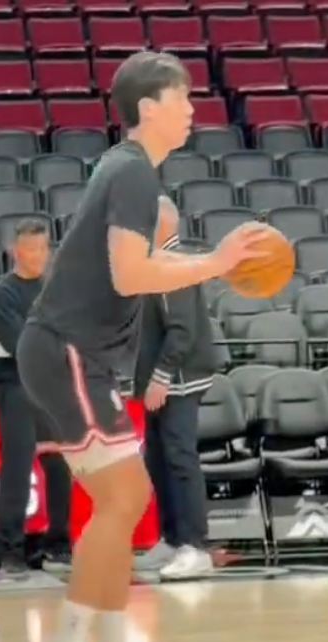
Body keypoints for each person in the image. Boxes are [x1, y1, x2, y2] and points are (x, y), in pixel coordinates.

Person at [17, 51, 268, 642]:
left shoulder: (127, 169)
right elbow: (130, 275)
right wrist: (215, 263)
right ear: (149, 106)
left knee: (123, 502)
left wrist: (206, 261)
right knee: (125, 498)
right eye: (183, 98)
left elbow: (139, 267)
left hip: (74, 353)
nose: (193, 109)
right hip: (69, 349)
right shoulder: (130, 169)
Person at [134, 196, 216, 579]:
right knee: (158, 459)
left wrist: (162, 376)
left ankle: (195, 546)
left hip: (178, 379)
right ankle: (171, 538)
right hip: (159, 379)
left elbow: (181, 330)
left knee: (180, 459)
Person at [0, 219, 72, 578]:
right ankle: (10, 549)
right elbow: (24, 346)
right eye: (31, 249)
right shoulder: (2, 296)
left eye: (42, 248)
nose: (38, 255)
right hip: (17, 389)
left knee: (60, 466)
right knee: (17, 469)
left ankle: (59, 543)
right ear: (14, 251)